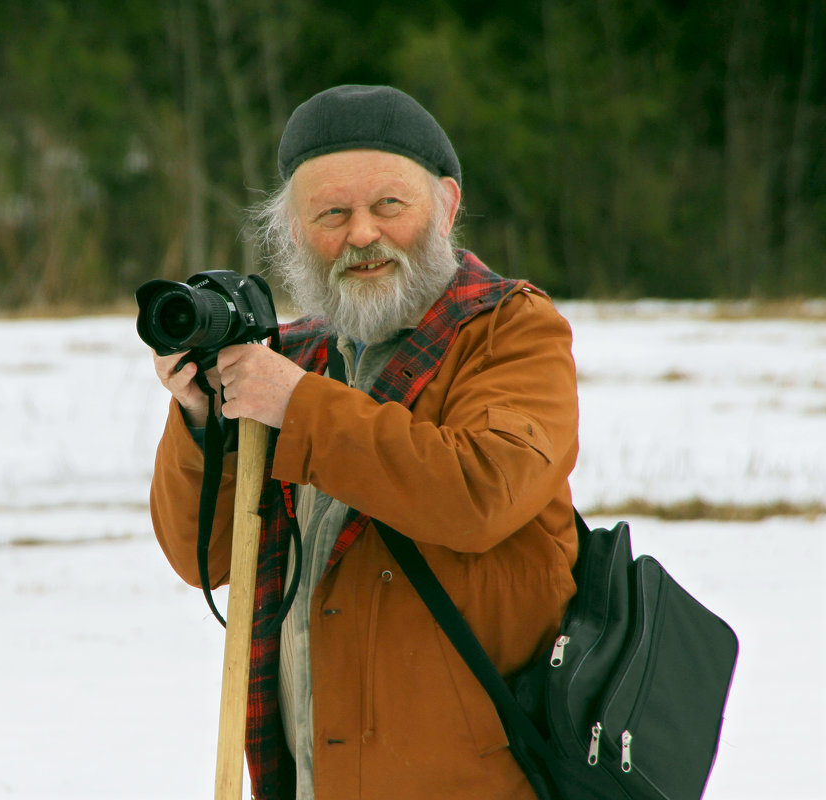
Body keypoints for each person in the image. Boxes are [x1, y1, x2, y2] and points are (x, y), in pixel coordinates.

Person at [147, 85, 580, 800]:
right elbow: (211, 558)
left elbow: (479, 492)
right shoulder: (293, 357)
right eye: (331, 214)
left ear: (445, 206)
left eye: (389, 206)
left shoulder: (511, 332)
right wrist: (202, 423)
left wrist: (297, 407)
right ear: (292, 232)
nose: (362, 235)